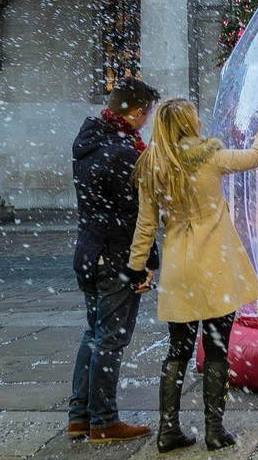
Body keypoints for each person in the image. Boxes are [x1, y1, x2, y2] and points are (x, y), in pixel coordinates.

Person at [126, 96, 258, 453]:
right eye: (195, 117)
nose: (200, 122)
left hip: (180, 269)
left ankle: (168, 430)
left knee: (177, 351)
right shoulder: (211, 156)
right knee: (216, 351)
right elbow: (256, 156)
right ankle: (215, 430)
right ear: (188, 123)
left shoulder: (153, 165)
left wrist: (136, 266)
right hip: (215, 266)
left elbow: (146, 224)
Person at [68, 77, 161, 443]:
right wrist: (145, 263)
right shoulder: (123, 153)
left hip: (89, 254)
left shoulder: (91, 143)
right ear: (137, 113)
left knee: (93, 335)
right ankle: (104, 421)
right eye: (147, 114)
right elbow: (137, 217)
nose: (147, 121)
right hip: (115, 258)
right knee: (110, 340)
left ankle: (80, 416)